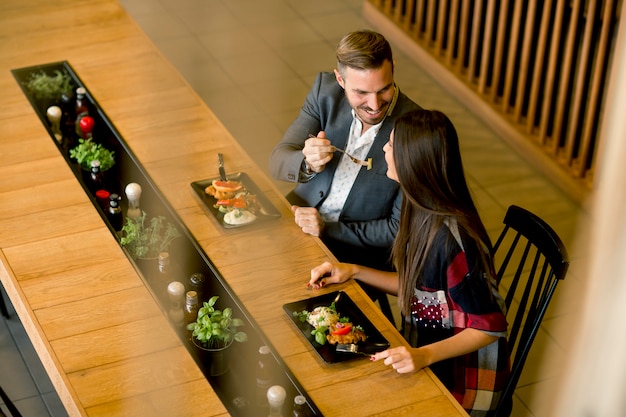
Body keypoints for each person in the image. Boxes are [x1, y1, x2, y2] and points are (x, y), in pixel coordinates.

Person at [308, 109, 510, 416]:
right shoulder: (418, 208)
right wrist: (353, 270)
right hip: (422, 348)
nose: (384, 149)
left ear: (412, 160)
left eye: (391, 144)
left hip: (460, 382)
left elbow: (489, 326)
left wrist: (423, 356)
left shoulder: (453, 243)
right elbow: (419, 289)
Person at [269, 30, 421, 322]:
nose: (375, 105)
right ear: (340, 80)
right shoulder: (325, 91)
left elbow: (394, 230)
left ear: (393, 69)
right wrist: (306, 163)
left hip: (355, 256)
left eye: (384, 89)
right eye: (361, 93)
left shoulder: (415, 126)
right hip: (295, 225)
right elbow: (277, 161)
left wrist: (326, 229)